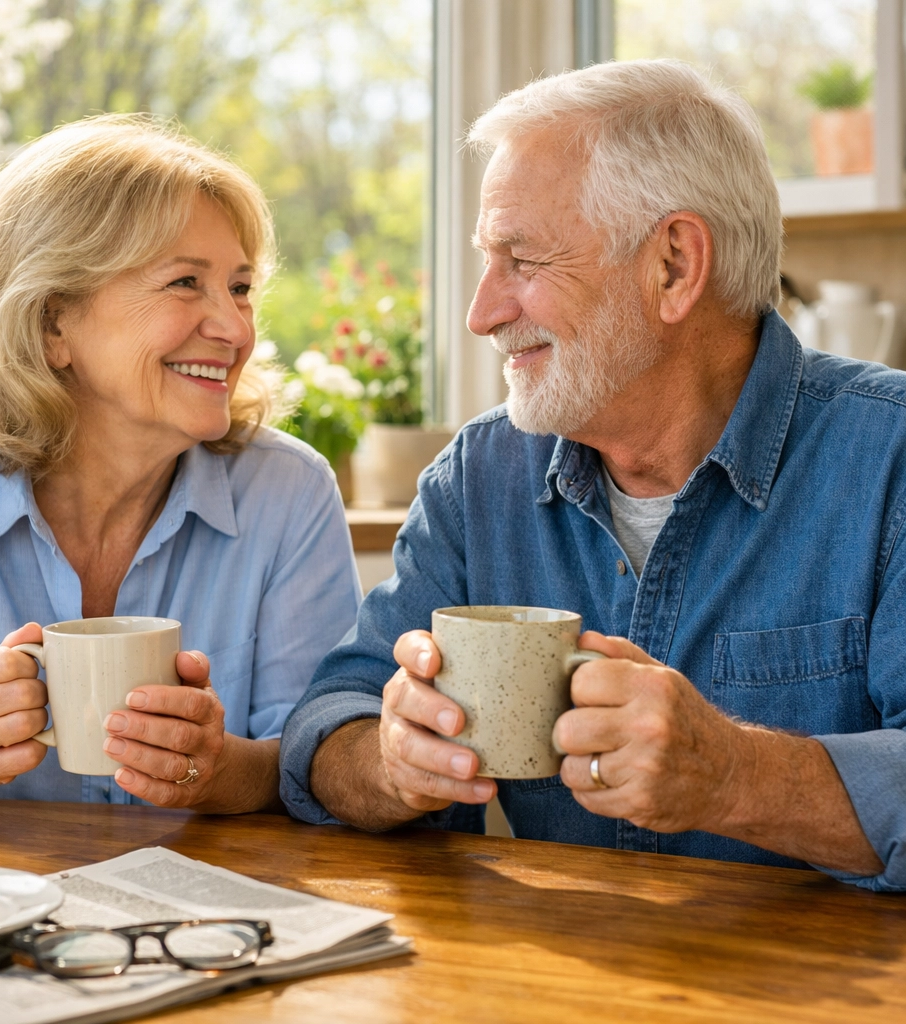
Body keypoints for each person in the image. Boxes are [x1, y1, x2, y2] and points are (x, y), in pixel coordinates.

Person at [279, 59, 906, 891]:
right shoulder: (479, 478)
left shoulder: (889, 459)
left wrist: (734, 775)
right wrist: (390, 758)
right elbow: (327, 724)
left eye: (522, 260)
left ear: (674, 265)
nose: (481, 313)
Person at [0, 115, 360, 820]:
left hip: (202, 895)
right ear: (52, 323)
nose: (235, 328)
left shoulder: (289, 491)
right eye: (184, 282)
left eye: (239, 287)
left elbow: (316, 763)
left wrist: (219, 769)